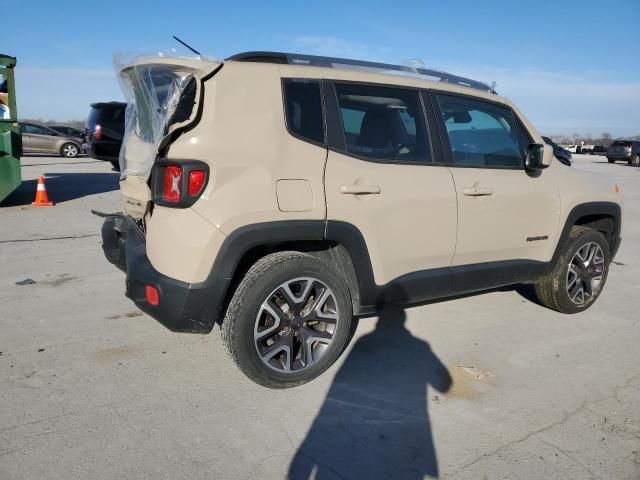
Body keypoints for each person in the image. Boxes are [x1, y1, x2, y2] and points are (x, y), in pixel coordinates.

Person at [288, 307, 452, 479]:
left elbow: (340, 380)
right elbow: (444, 386)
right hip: (402, 445)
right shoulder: (420, 346)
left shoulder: (363, 342)